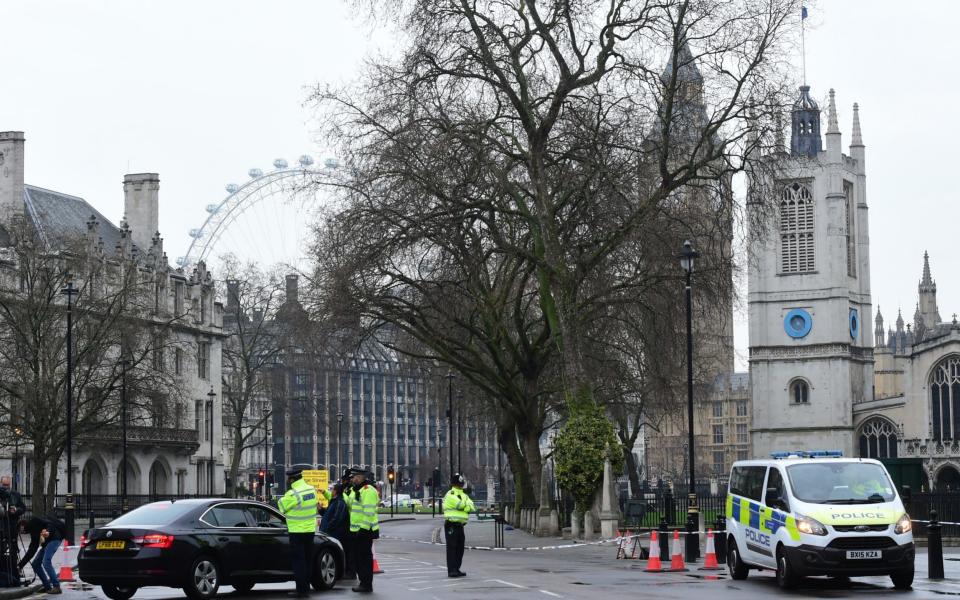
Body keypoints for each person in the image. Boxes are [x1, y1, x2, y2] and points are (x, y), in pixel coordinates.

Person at [277, 466, 319, 598]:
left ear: (291, 479)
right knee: (307, 560)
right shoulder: (311, 489)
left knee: (298, 562)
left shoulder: (293, 493)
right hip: (310, 530)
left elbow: (281, 506)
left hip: (296, 531)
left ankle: (301, 590)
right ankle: (306, 587)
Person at [343, 468, 379, 594]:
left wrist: (363, 529)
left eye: (354, 477)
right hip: (356, 529)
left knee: (364, 558)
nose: (352, 479)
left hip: (365, 530)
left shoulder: (368, 491)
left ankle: (366, 584)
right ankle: (363, 582)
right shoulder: (356, 490)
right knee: (359, 558)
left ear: (360, 477)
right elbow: (349, 504)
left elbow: (368, 512)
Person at [18, 515, 66, 594]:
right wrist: (20, 565)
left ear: (22, 526)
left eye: (21, 530)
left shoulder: (35, 521)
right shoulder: (33, 531)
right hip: (47, 543)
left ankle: (56, 586)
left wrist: (48, 532)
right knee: (35, 564)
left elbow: (50, 524)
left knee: (46, 561)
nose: (22, 533)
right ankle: (47, 587)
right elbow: (32, 550)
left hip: (54, 539)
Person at [442, 473, 475, 578]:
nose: (461, 486)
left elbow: (472, 506)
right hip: (451, 524)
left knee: (460, 548)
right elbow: (460, 505)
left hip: (460, 525)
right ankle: (451, 570)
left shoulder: (464, 495)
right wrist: (466, 506)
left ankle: (456, 568)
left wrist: (466, 506)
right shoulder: (450, 494)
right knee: (452, 548)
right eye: (459, 484)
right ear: (455, 484)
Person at [0, 476, 25, 587]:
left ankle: (14, 575)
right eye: (4, 485)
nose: (6, 488)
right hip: (1, 527)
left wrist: (16, 510)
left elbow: (23, 508)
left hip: (12, 527)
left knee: (13, 553)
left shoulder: (15, 495)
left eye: (7, 485)